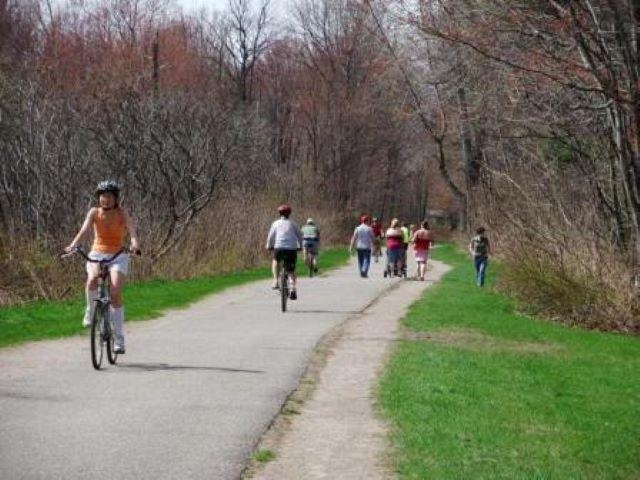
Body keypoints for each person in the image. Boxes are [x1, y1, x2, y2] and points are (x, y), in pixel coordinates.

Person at [65, 180, 140, 354]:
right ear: (99, 198)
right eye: (102, 196)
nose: (105, 199)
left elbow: (132, 232)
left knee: (114, 293)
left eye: (109, 196)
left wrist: (135, 245)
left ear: (116, 198)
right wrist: (72, 245)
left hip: (117, 255)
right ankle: (90, 311)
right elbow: (83, 231)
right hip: (97, 253)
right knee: (92, 280)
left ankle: (119, 340)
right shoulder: (94, 212)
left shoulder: (122, 213)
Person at [266, 204, 303, 299]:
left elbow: (271, 236)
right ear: (289, 214)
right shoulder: (293, 223)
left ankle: (276, 281)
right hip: (291, 249)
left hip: (279, 247)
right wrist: (301, 246)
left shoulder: (275, 223)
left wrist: (269, 246)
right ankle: (292, 288)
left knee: (276, 261)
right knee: (291, 269)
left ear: (279, 213)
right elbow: (300, 236)